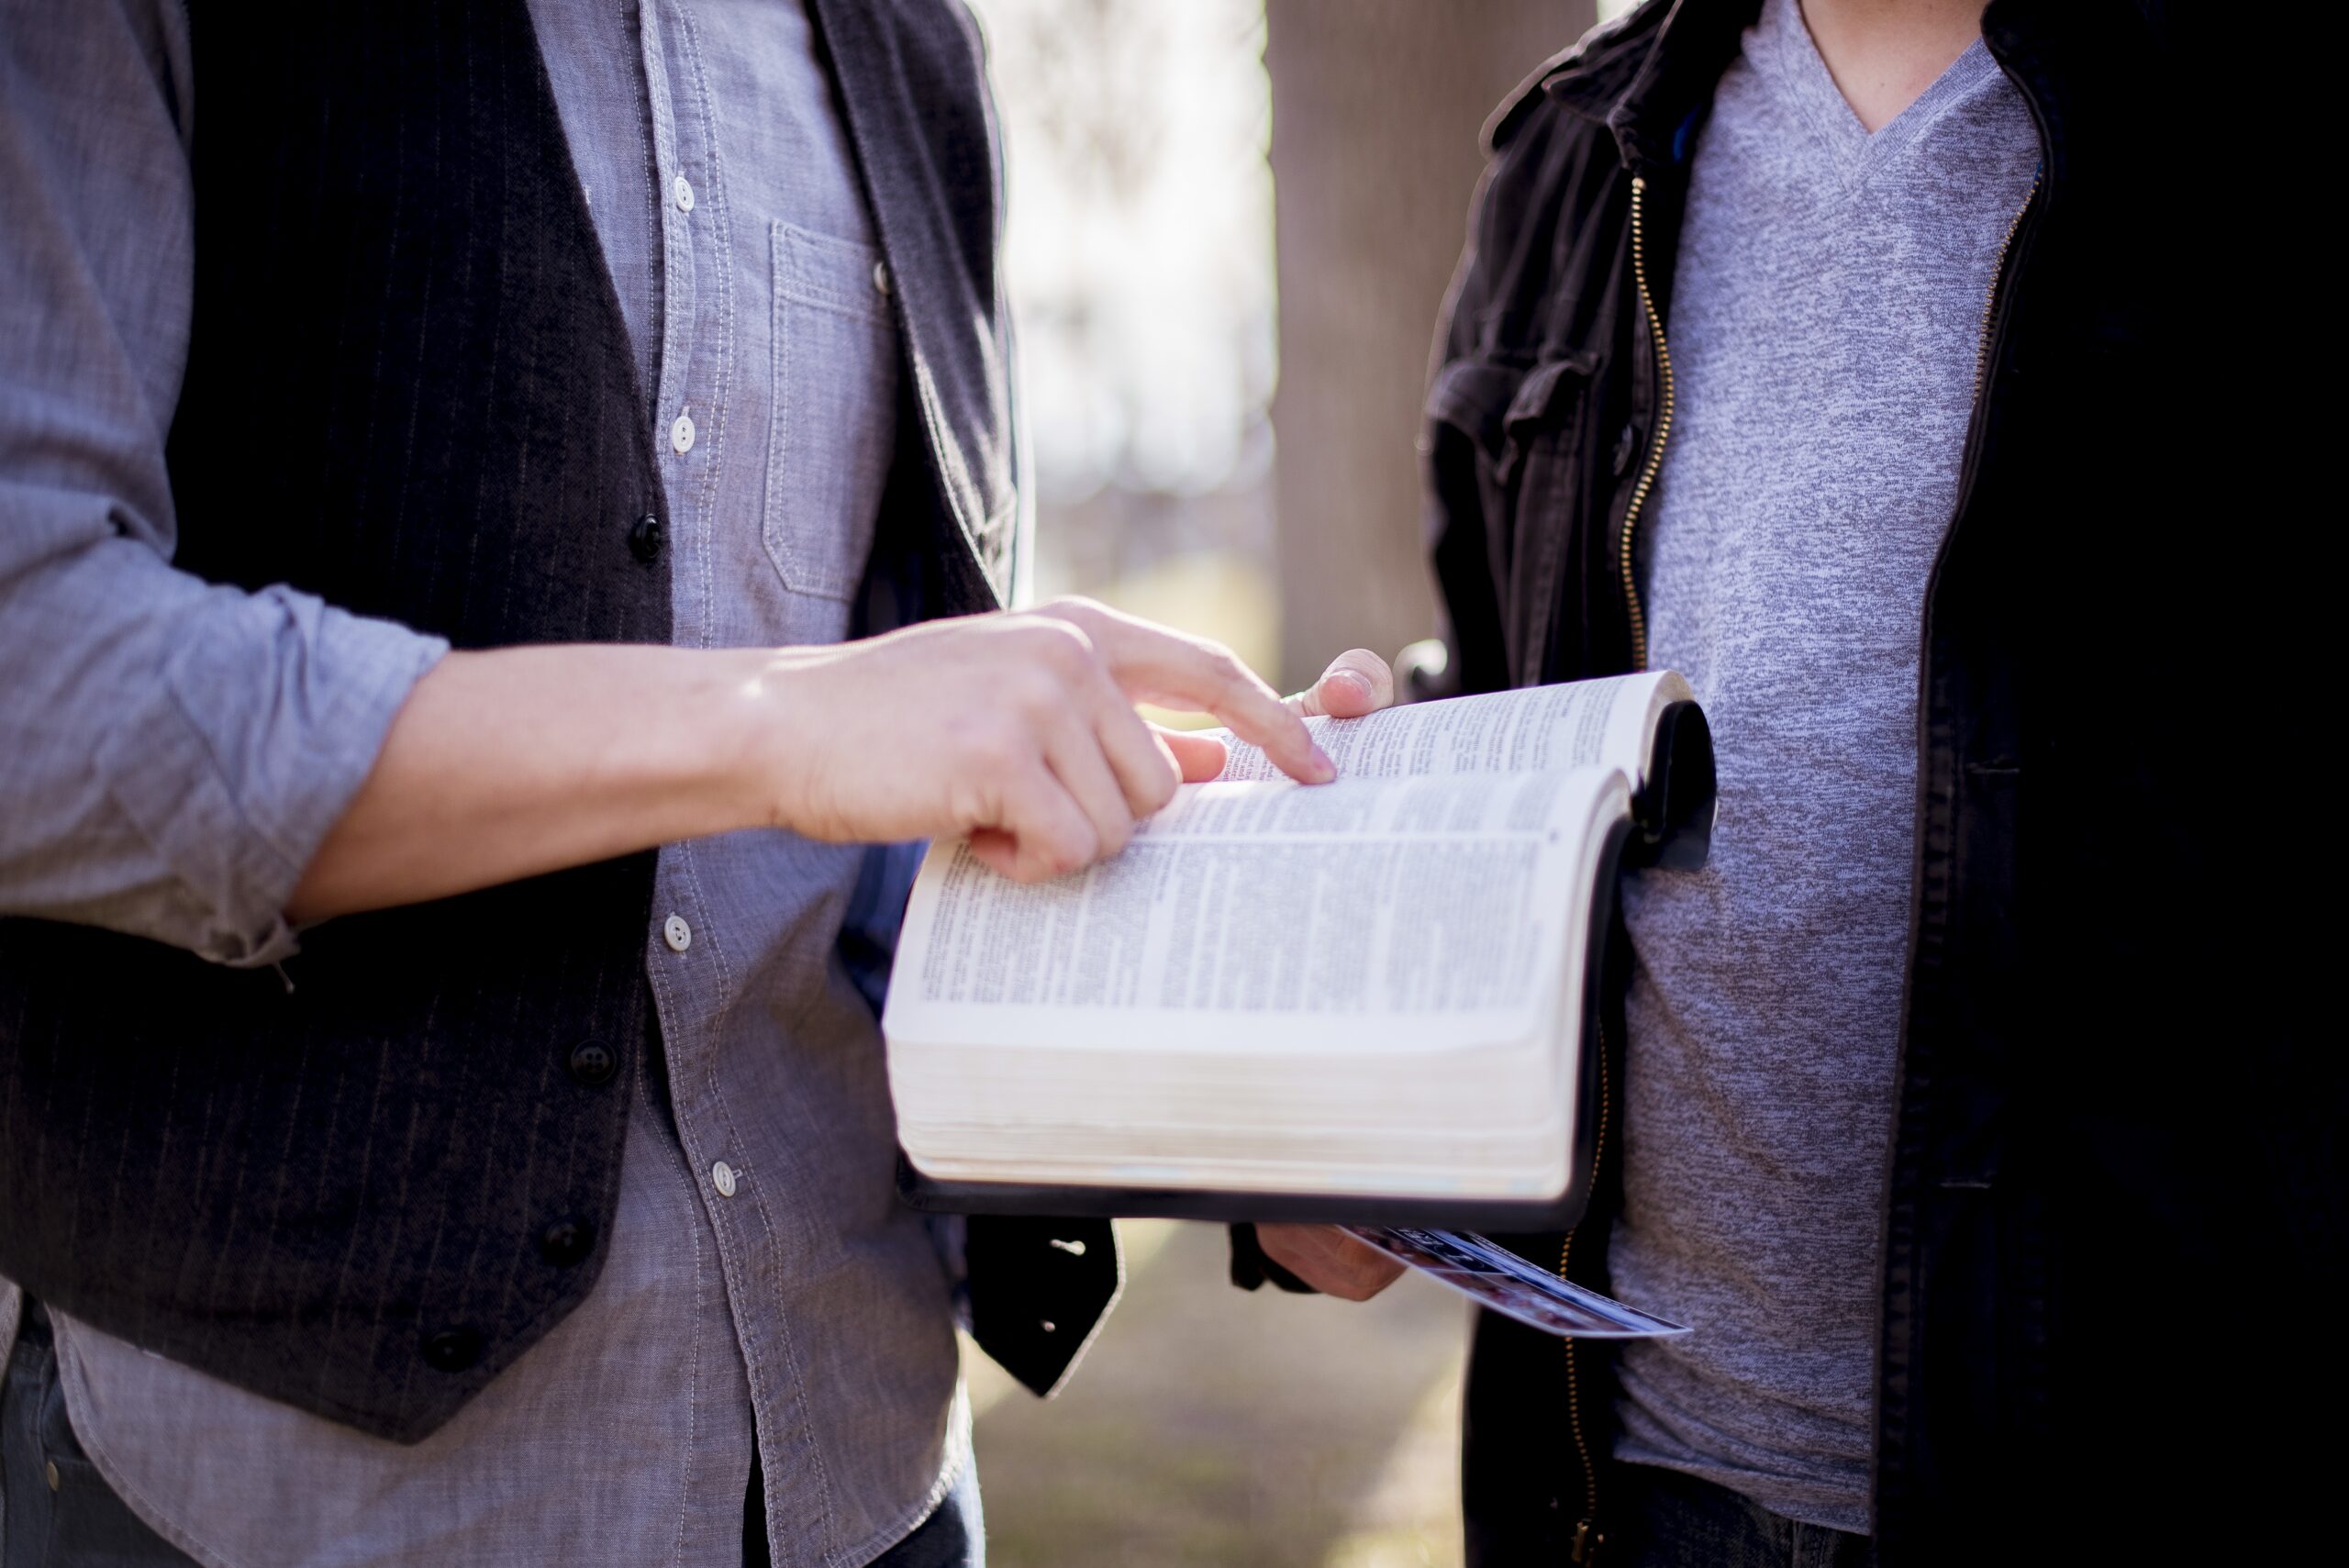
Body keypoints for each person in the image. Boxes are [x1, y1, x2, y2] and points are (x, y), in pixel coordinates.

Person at [0, 4, 1378, 1564]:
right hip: (275, 1507)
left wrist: (1225, 1094)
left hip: (875, 1490)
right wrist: (774, 724)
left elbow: (895, 814)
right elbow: (30, 682)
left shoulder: (916, 43)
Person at [1246, 0, 2332, 1563]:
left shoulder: (2263, 135)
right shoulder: (1566, 158)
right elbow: (1516, 688)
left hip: (2158, 1477)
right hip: (1633, 1484)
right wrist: (1353, 943)